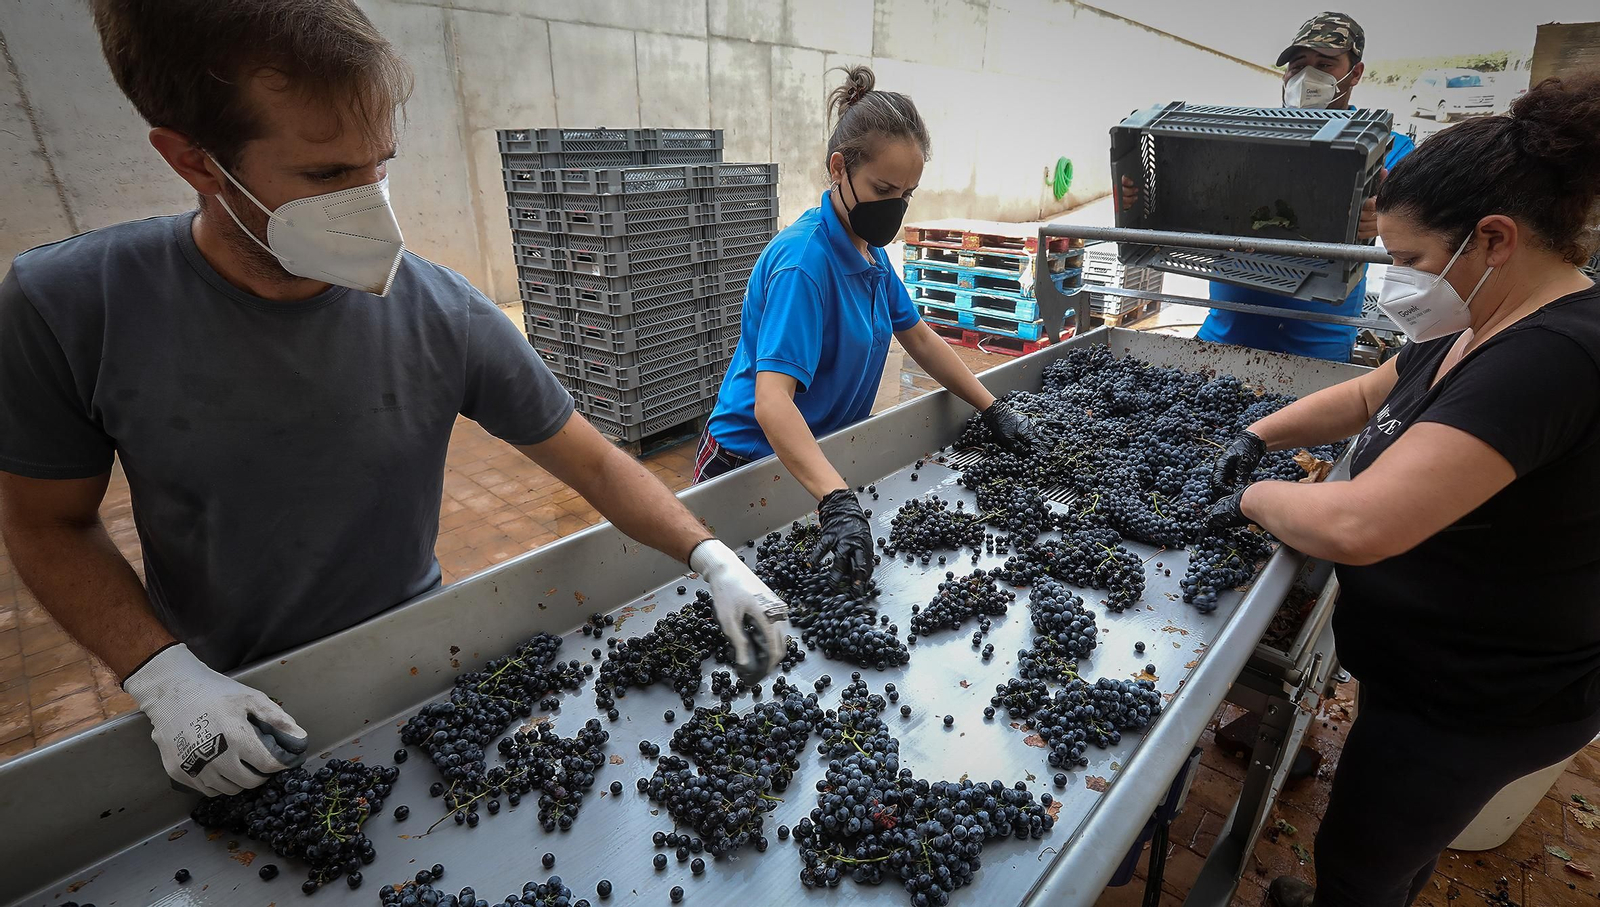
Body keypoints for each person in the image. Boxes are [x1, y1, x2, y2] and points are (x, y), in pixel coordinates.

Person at [0, 0, 790, 799]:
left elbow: (592, 460)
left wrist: (712, 557)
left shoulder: (440, 311)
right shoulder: (70, 308)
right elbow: (46, 522)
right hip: (225, 703)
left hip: (419, 677)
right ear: (195, 161)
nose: (371, 199)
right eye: (328, 175)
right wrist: (162, 676)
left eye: (379, 162)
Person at [1205, 73, 1600, 907]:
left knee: (1365, 852)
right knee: (1393, 834)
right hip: (1428, 671)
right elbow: (1362, 396)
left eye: (1411, 260)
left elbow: (1358, 524)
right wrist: (1259, 434)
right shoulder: (1475, 323)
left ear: (1492, 239)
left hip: (1484, 697)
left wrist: (1251, 496)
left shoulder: (1552, 357)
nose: (1400, 283)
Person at [696, 65, 1039, 588]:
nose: (894, 206)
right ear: (839, 168)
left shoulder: (871, 254)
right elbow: (772, 402)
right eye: (883, 187)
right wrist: (837, 502)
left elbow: (919, 336)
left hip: (814, 462)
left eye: (907, 193)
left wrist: (992, 408)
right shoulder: (803, 265)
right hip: (746, 465)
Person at [1120, 11, 1415, 362]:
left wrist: (1384, 221)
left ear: (1356, 73)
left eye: (1326, 63)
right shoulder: (1247, 138)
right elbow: (1188, 201)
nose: (1308, 75)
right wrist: (1138, 198)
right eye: (1298, 65)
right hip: (1226, 332)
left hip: (1318, 341)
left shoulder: (1391, 149)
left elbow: (1417, 232)